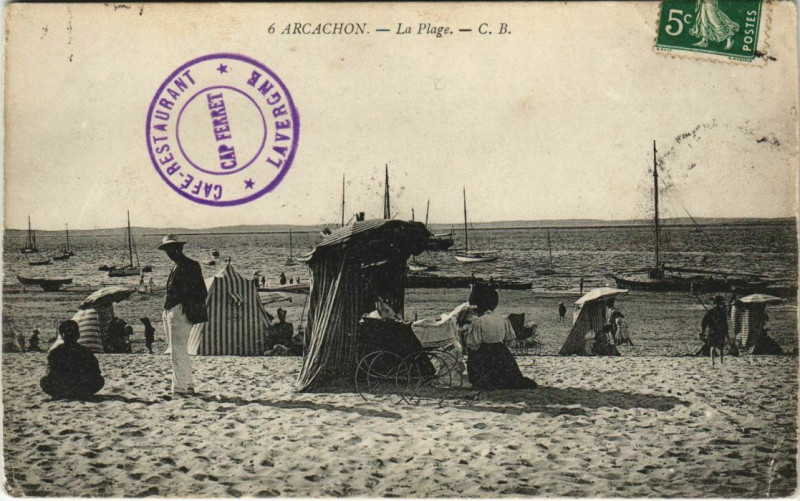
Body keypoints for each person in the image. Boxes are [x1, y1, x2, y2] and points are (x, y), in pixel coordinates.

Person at [463, 281, 537, 390]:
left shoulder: (477, 322)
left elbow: (473, 343)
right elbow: (510, 339)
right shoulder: (503, 319)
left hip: (484, 352)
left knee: (474, 361)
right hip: (501, 352)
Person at [160, 234, 208, 395]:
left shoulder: (188, 266)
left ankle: (180, 387)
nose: (170, 253)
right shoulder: (180, 266)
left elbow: (201, 291)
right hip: (174, 310)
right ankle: (187, 384)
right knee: (180, 351)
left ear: (179, 249)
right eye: (168, 250)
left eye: (172, 249)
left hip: (179, 310)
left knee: (177, 351)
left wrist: (184, 303)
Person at [40, 320, 104, 399]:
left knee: (45, 381)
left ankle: (66, 394)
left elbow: (50, 372)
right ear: (78, 335)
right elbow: (96, 371)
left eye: (72, 332)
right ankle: (76, 393)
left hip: (68, 387)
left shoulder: (55, 352)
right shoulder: (85, 351)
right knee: (45, 381)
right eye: (68, 333)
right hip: (74, 387)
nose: (70, 335)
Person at [701, 295, 728, 366]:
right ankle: (721, 361)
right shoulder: (722, 312)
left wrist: (703, 331)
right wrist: (726, 332)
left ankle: (712, 361)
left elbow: (704, 322)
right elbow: (725, 323)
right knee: (721, 347)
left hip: (712, 331)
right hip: (720, 331)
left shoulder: (710, 311)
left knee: (712, 346)